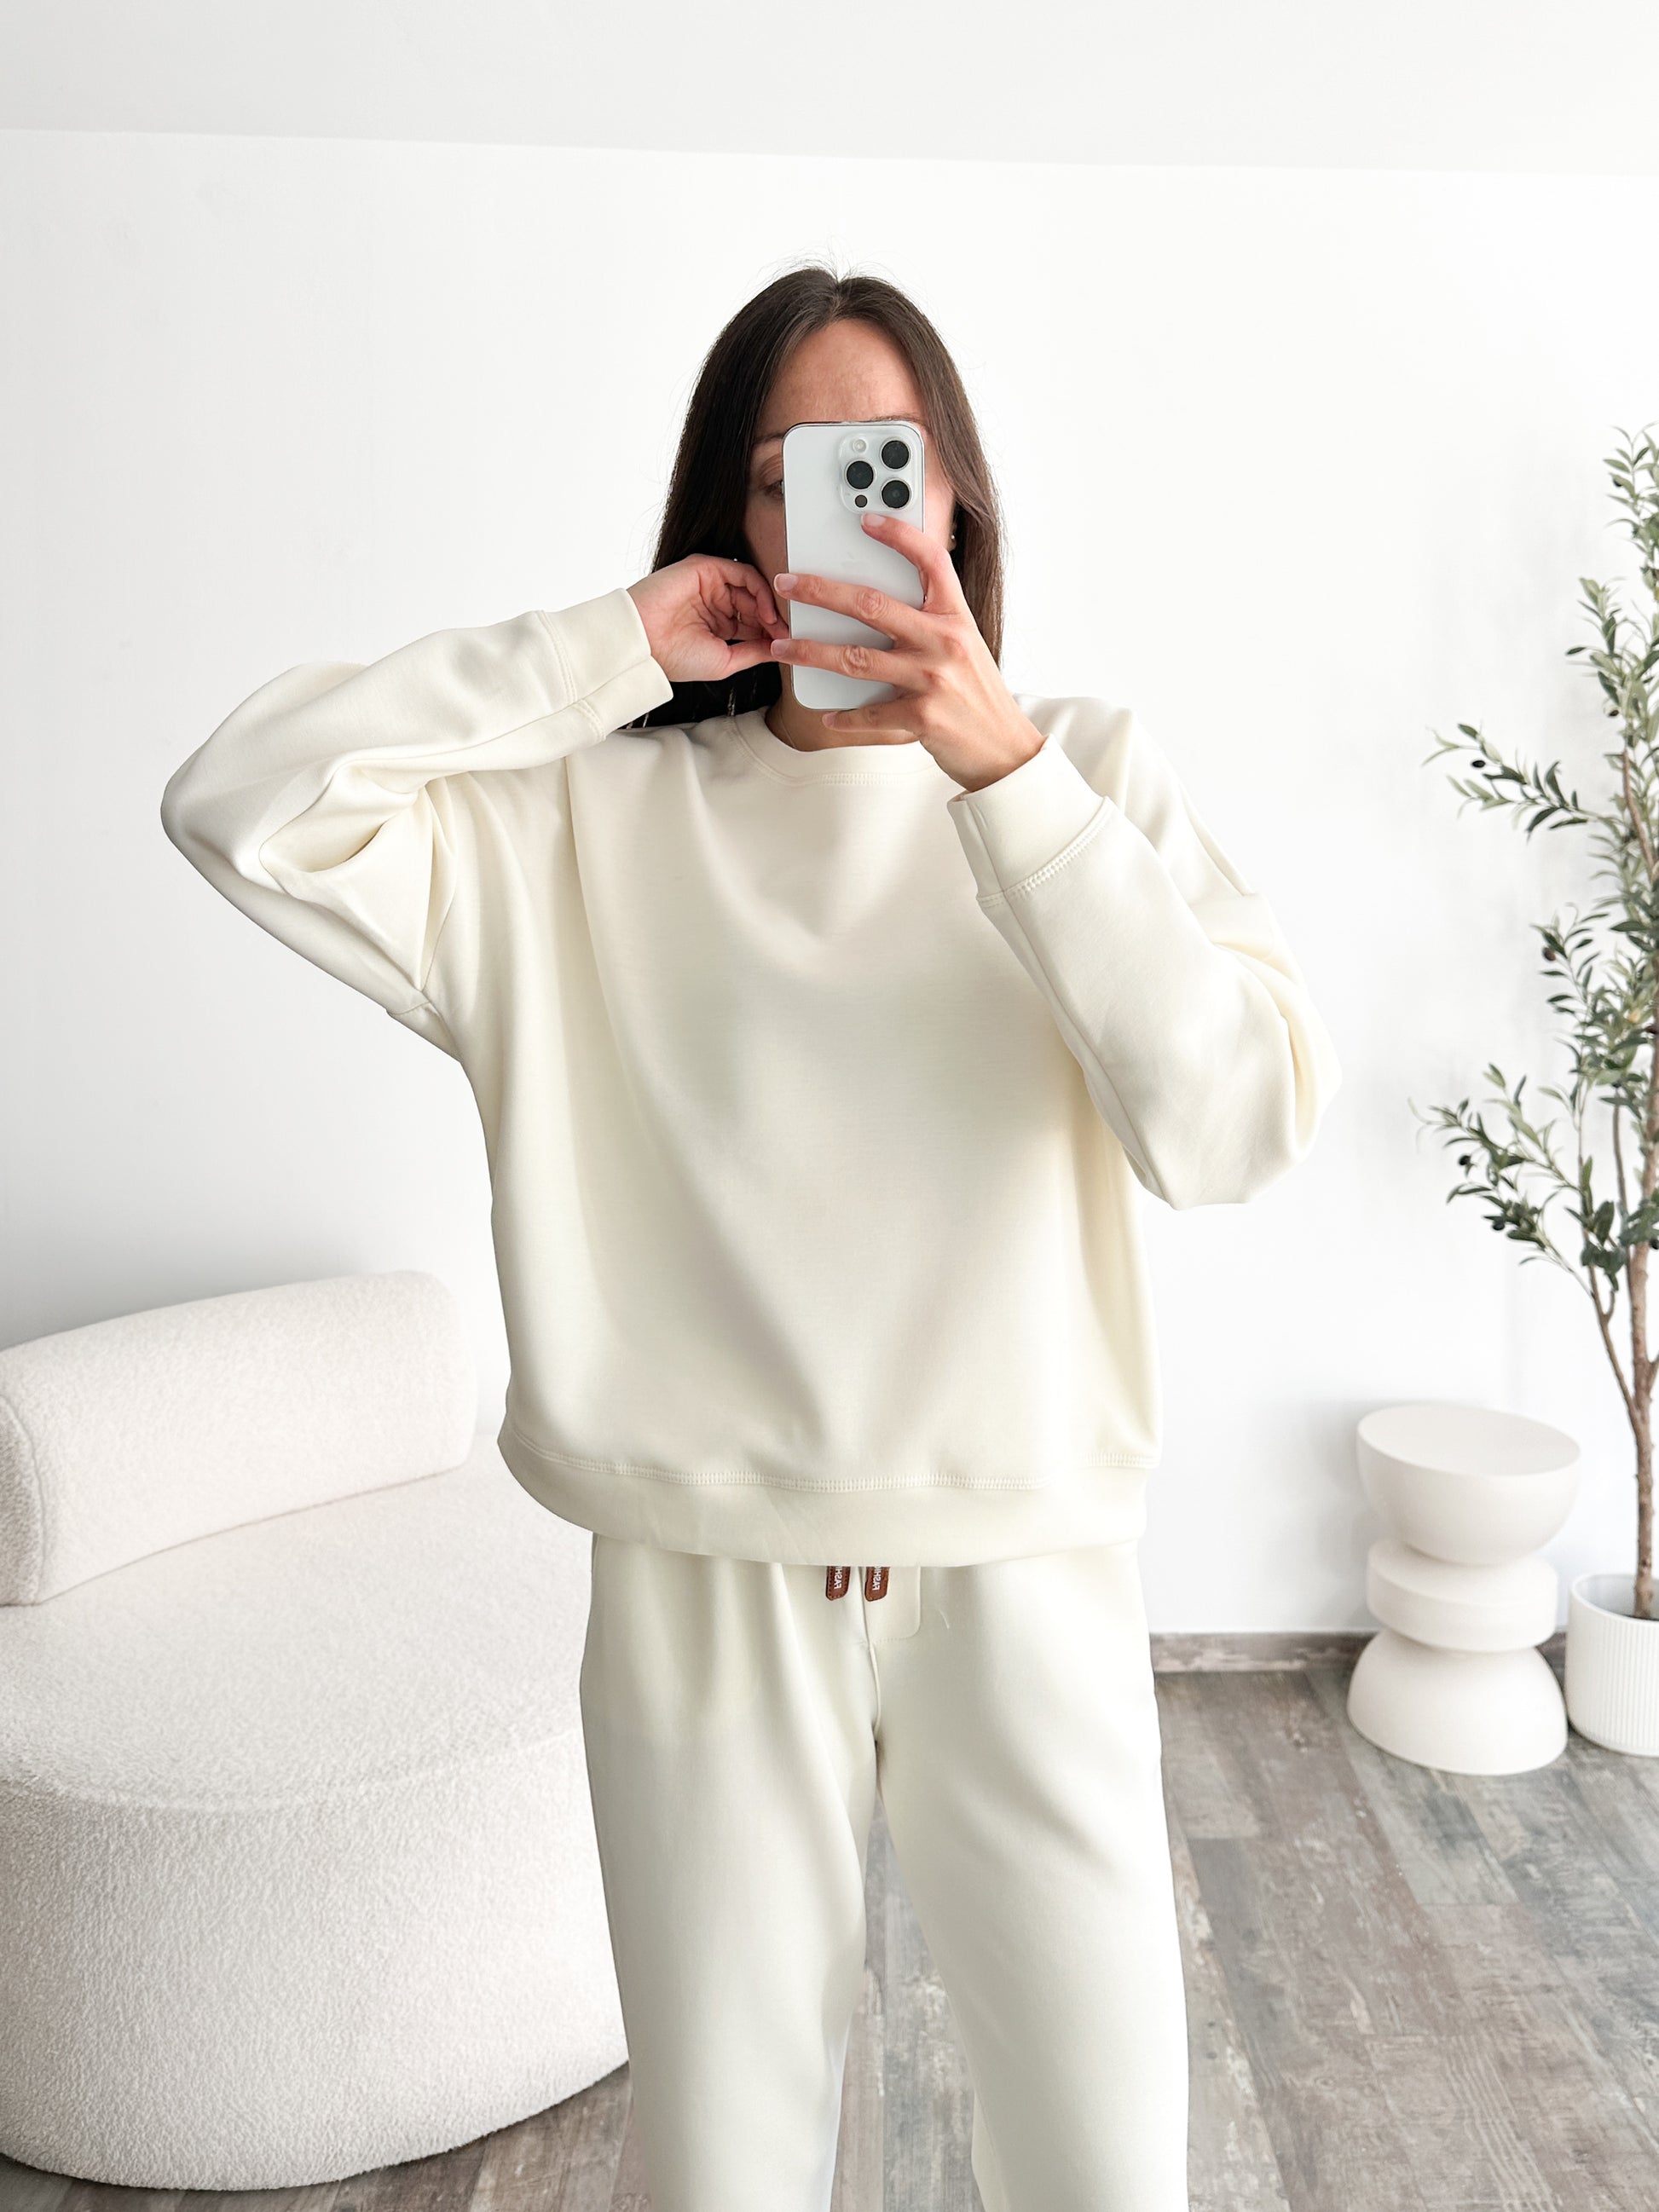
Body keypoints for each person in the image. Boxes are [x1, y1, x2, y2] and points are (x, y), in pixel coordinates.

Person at [160, 261, 1341, 2212]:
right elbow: (239, 802)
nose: (845, 508)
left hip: (1023, 1570)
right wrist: (606, 646)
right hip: (700, 1586)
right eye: (791, 471)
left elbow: (1231, 1126)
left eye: (887, 463)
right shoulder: (580, 824)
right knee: (720, 2175)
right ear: (735, 513)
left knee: (1108, 2170)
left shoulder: (1082, 776)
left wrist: (1005, 775)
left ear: (953, 500)